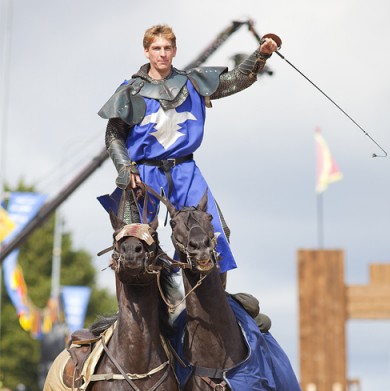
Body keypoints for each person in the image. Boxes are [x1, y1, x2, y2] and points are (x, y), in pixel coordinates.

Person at [98, 24, 279, 275]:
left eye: (167, 48)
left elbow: (236, 79)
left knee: (213, 235)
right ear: (146, 52)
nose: (162, 53)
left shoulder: (193, 83)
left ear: (174, 51)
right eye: (156, 48)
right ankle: (138, 312)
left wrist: (261, 54)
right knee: (131, 246)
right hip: (142, 174)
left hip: (185, 170)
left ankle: (207, 305)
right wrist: (125, 168)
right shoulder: (131, 92)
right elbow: (114, 134)